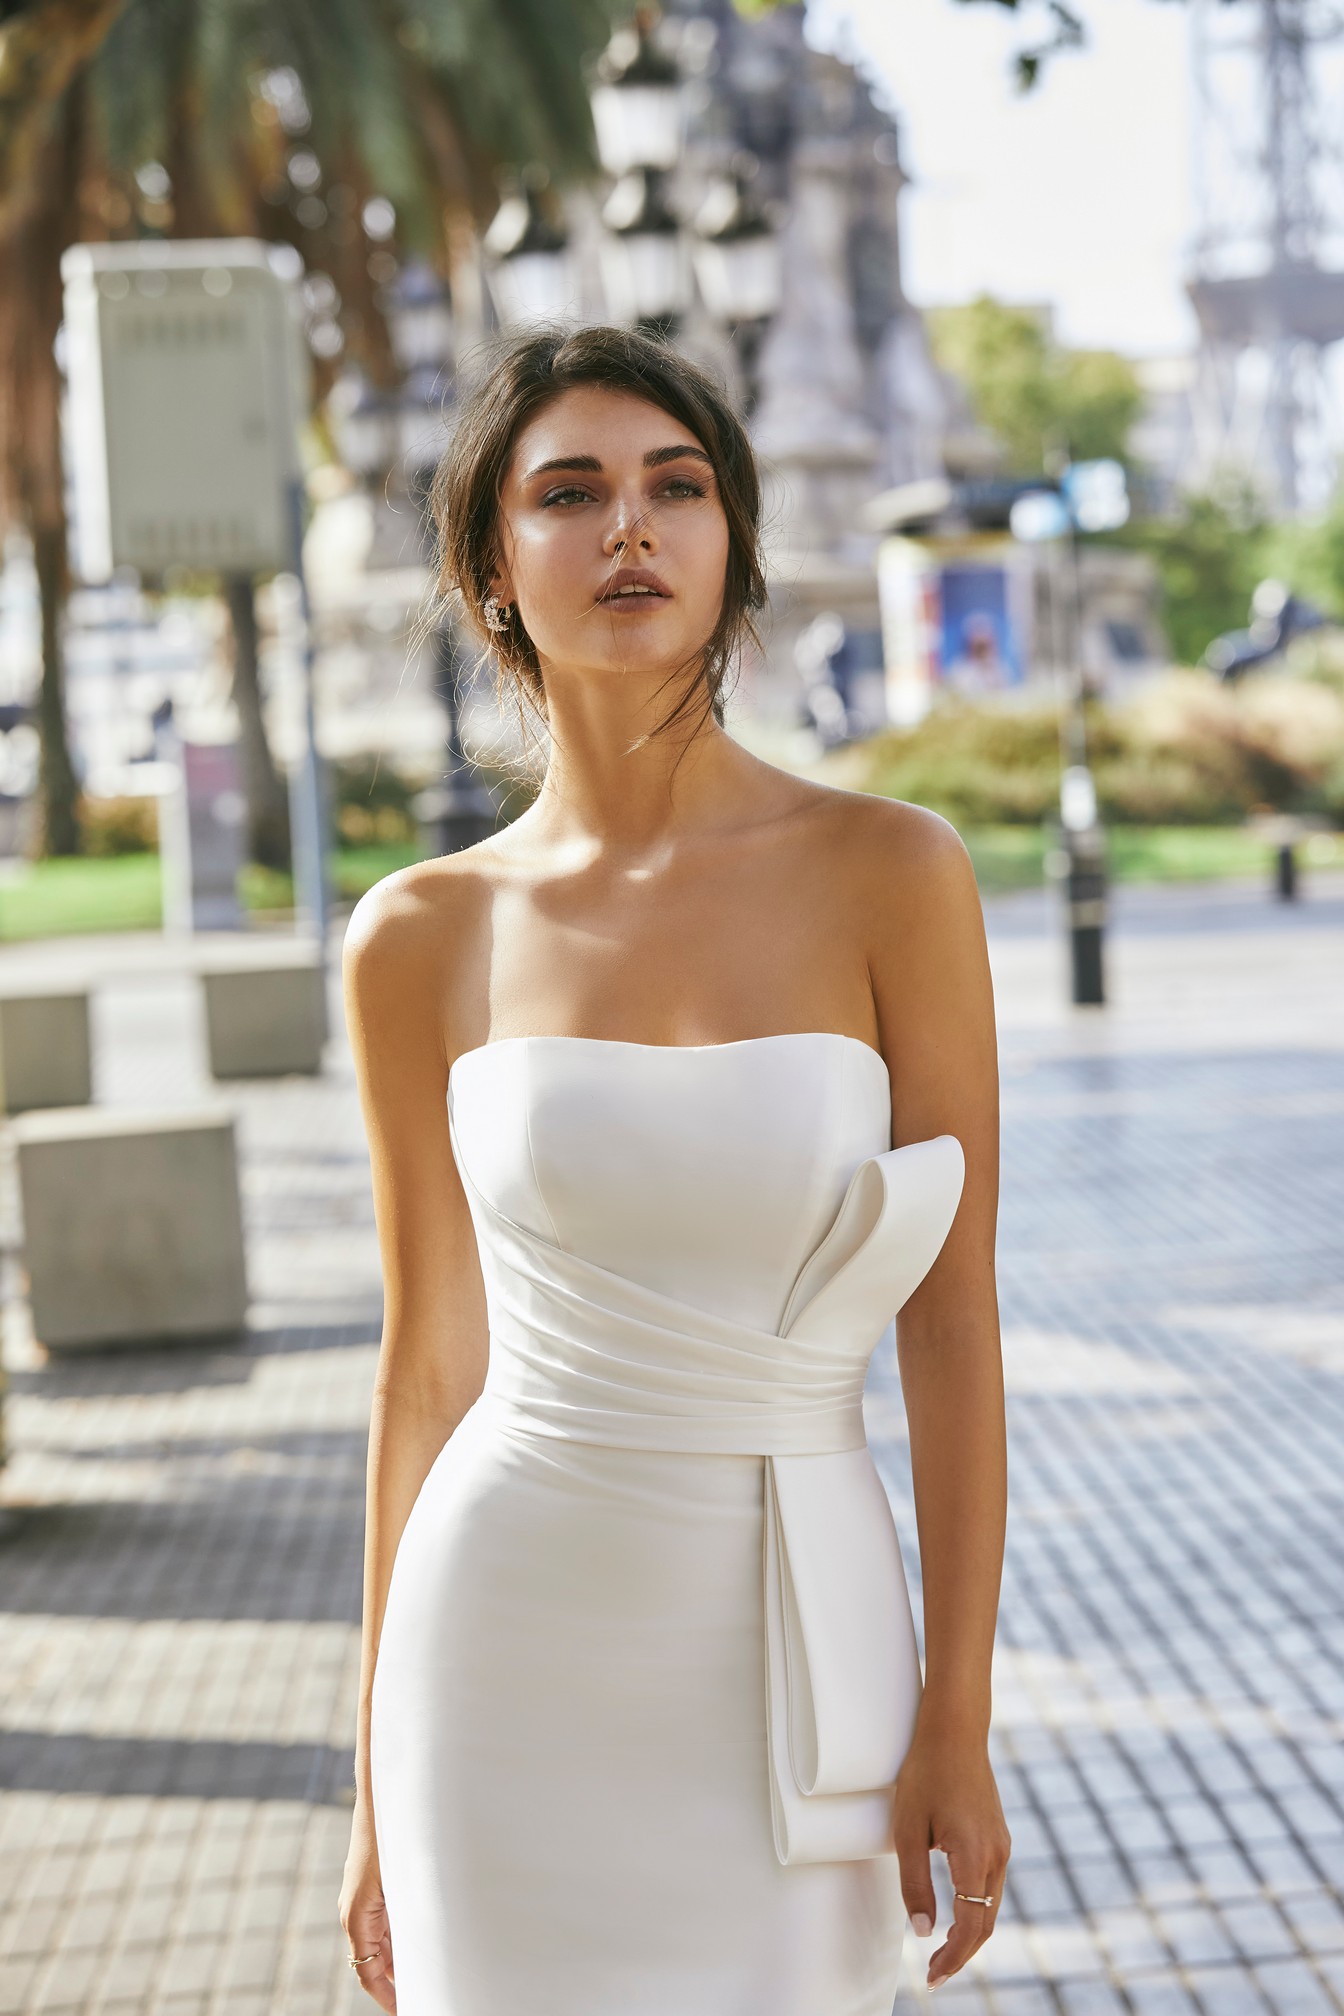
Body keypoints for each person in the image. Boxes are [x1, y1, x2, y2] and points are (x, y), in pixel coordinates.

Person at [338, 323, 1010, 2016]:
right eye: (570, 493)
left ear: (733, 544)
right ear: (495, 567)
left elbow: (952, 1327)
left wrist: (959, 1715)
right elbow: (427, 1366)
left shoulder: (893, 873)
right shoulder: (421, 936)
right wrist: (366, 1780)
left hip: (802, 1642)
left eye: (676, 487)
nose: (629, 527)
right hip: (500, 1650)